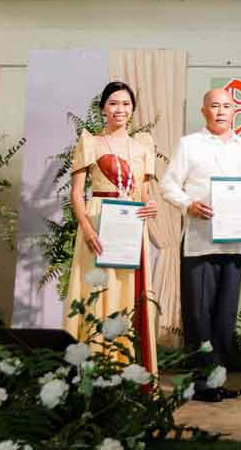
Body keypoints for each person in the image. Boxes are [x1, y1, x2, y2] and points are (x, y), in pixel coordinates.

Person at [160, 88, 241, 403]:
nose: (221, 111)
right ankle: (201, 383)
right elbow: (168, 185)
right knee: (199, 316)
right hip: (200, 243)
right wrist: (189, 204)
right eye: (215, 106)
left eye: (227, 106)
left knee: (225, 317)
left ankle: (217, 380)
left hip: (235, 244)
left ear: (235, 112)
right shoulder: (189, 145)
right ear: (204, 111)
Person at [65, 81, 159, 374]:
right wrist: (88, 229)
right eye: (114, 103)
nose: (120, 109)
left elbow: (144, 193)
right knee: (97, 289)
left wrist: (151, 204)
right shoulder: (90, 142)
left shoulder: (142, 145)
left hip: (131, 225)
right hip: (98, 219)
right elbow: (76, 193)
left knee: (127, 290)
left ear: (132, 110)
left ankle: (124, 367)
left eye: (126, 104)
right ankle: (91, 367)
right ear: (103, 107)